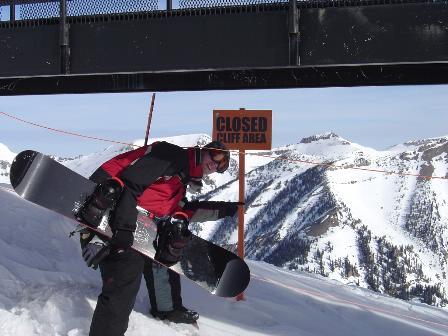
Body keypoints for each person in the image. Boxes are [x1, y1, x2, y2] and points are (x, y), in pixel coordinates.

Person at [78, 140, 240, 336]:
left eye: (221, 165)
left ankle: (166, 308)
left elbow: (181, 210)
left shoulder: (182, 177)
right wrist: (124, 229)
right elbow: (130, 184)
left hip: (135, 221)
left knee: (166, 247)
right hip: (108, 210)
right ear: (203, 150)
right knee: (126, 277)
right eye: (216, 156)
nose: (215, 165)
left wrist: (228, 210)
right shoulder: (172, 155)